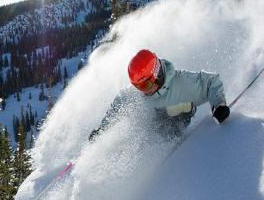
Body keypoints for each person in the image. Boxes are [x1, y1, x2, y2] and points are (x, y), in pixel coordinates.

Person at [89, 49, 230, 141]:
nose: (142, 91)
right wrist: (102, 130)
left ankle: (172, 135)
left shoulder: (181, 83)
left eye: (145, 85)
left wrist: (219, 105)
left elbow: (211, 81)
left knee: (168, 112)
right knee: (142, 122)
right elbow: (119, 104)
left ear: (155, 75)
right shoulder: (139, 94)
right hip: (154, 128)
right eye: (137, 86)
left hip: (177, 119)